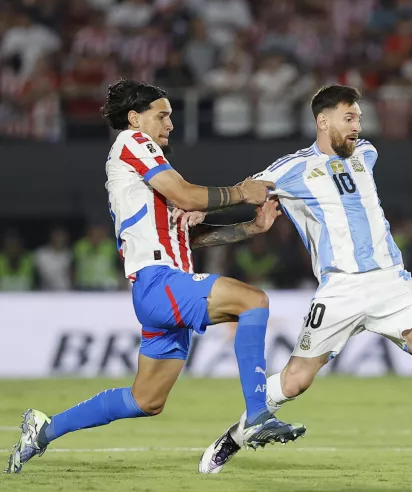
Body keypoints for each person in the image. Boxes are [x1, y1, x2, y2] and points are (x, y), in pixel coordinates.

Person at [199, 85, 412, 474]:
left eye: (359, 118)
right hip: (340, 289)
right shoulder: (290, 170)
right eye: (349, 118)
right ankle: (233, 438)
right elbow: (245, 192)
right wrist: (198, 211)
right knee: (295, 382)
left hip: (392, 284)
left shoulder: (366, 154)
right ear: (322, 121)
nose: (358, 126)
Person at [5, 79, 305, 475]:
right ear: (134, 118)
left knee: (145, 400)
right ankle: (257, 415)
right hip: (159, 283)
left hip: (163, 289)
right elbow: (188, 196)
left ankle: (44, 430)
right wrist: (241, 192)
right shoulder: (132, 142)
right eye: (162, 115)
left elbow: (188, 233)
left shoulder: (147, 175)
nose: (170, 124)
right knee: (254, 301)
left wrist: (250, 228)